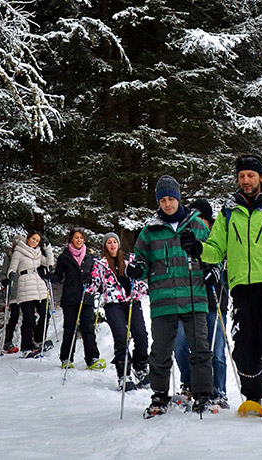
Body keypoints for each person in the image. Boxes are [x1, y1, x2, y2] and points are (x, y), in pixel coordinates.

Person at [181, 154, 262, 425]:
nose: (246, 180)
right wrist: (198, 248)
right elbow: (216, 249)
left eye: (251, 175)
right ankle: (253, 397)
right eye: (241, 176)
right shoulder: (229, 211)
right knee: (244, 349)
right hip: (241, 287)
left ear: (261, 177)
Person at [131, 175, 214, 417]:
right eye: (163, 200)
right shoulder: (150, 231)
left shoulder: (197, 225)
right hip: (163, 300)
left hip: (194, 295)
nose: (167, 204)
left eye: (171, 199)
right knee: (160, 351)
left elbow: (214, 252)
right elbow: (141, 260)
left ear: (179, 198)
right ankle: (159, 395)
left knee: (200, 348)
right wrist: (137, 269)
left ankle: (202, 395)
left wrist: (212, 269)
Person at [172, 199, 229, 408]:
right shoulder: (186, 240)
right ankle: (189, 383)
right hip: (189, 304)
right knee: (180, 345)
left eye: (202, 218)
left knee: (216, 350)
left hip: (214, 303)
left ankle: (219, 391)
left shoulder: (216, 239)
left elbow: (227, 266)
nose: (198, 223)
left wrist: (215, 272)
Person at [87, 232, 149, 389]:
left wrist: (146, 288)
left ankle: (140, 367)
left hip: (132, 301)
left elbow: (139, 280)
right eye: (109, 242)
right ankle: (123, 373)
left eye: (115, 242)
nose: (112, 245)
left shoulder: (129, 260)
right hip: (113, 303)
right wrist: (87, 282)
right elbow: (94, 284)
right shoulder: (100, 264)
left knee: (141, 334)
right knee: (121, 337)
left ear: (119, 244)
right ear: (105, 246)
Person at [51, 228, 105, 370]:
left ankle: (92, 357)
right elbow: (58, 275)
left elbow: (97, 275)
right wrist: (48, 277)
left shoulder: (90, 256)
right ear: (71, 239)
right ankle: (66, 358)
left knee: (88, 327)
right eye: (76, 237)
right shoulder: (64, 256)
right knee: (70, 328)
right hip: (70, 297)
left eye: (81, 237)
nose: (79, 240)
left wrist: (94, 282)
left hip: (86, 297)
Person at [7, 230, 54, 357]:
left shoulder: (38, 253)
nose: (34, 242)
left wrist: (48, 247)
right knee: (29, 318)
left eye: (37, 240)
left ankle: (39, 339)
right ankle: (26, 346)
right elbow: (12, 267)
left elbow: (49, 263)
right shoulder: (19, 251)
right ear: (28, 238)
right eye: (33, 239)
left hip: (39, 285)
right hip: (25, 284)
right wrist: (10, 274)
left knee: (45, 314)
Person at [0, 235, 24, 354]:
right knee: (14, 316)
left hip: (26, 290)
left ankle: (31, 338)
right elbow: (3, 274)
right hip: (14, 291)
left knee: (29, 316)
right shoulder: (8, 258)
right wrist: (5, 280)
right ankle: (7, 341)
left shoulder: (26, 256)